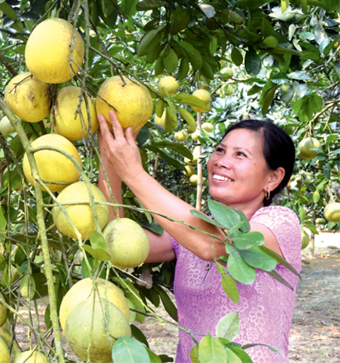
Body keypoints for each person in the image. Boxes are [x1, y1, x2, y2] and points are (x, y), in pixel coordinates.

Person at [97, 113, 301, 363]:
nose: (221, 161)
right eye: (220, 150)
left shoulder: (280, 223)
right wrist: (110, 160)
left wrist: (133, 173)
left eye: (240, 155)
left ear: (273, 178)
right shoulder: (188, 233)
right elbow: (115, 244)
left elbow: (213, 245)